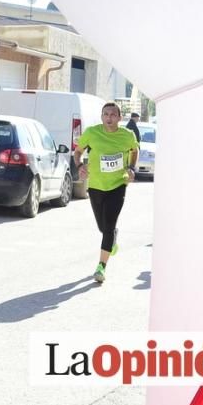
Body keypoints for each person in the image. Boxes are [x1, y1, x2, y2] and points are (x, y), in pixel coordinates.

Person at [74, 102, 139, 283]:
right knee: (102, 228)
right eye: (105, 114)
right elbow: (77, 151)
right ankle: (112, 237)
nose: (109, 118)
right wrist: (79, 165)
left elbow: (135, 150)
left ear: (119, 117)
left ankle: (101, 267)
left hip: (118, 184)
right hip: (96, 185)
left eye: (112, 115)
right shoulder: (92, 133)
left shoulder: (127, 135)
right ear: (101, 117)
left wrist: (131, 168)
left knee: (108, 227)